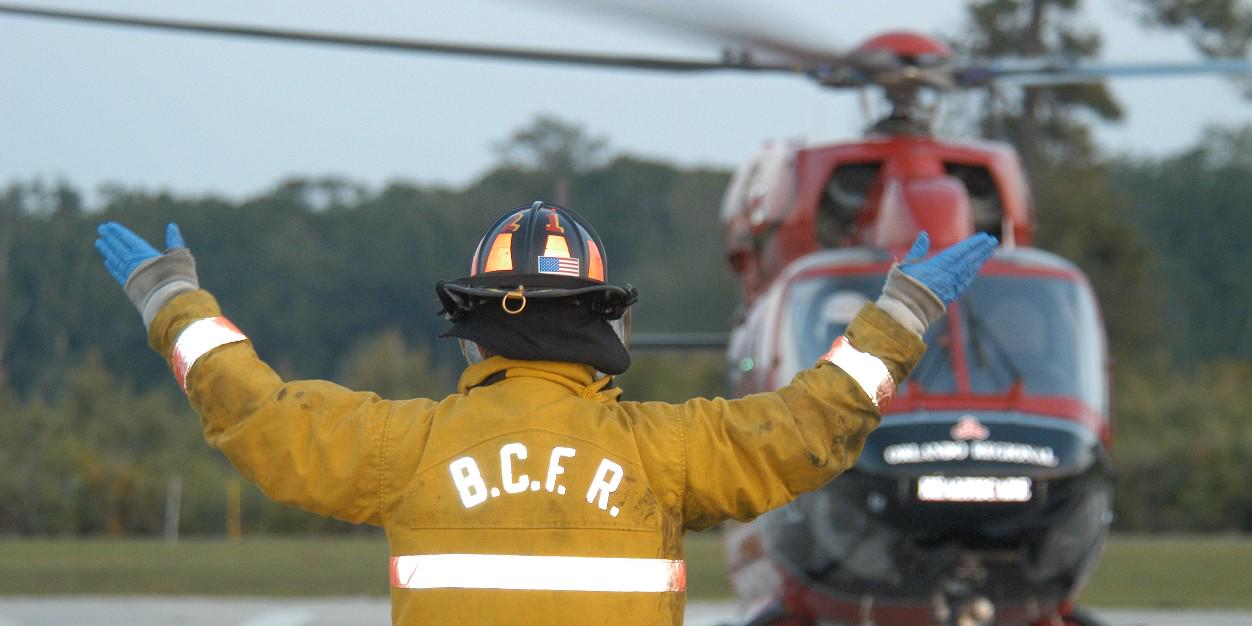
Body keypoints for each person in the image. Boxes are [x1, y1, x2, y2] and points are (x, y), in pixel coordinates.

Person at [94, 201, 996, 625]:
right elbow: (808, 428)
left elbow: (258, 415)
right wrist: (902, 312)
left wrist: (172, 301)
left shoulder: (402, 448)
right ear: (604, 324)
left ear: (473, 332)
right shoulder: (668, 453)